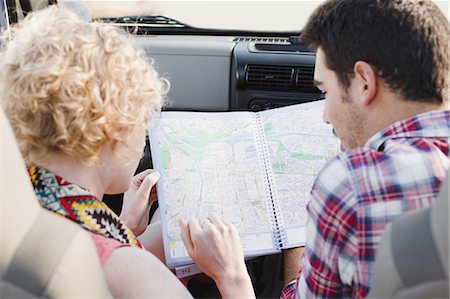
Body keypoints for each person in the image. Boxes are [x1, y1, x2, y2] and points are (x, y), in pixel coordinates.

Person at [179, 0, 450, 298]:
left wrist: (231, 275)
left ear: (364, 82)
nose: (325, 115)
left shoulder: (353, 184)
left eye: (325, 92)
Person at [0, 7, 191, 298]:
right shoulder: (135, 273)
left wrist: (125, 227)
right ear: (109, 124)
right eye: (143, 120)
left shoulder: (18, 211)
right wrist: (230, 275)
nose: (144, 136)